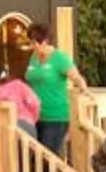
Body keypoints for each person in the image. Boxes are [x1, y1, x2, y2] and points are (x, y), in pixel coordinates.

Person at [25, 21, 77, 157]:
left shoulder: (60, 58)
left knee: (47, 159)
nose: (32, 47)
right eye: (30, 42)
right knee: (36, 157)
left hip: (56, 117)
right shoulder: (34, 58)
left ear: (45, 41)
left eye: (34, 43)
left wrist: (85, 91)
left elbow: (77, 78)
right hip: (35, 116)